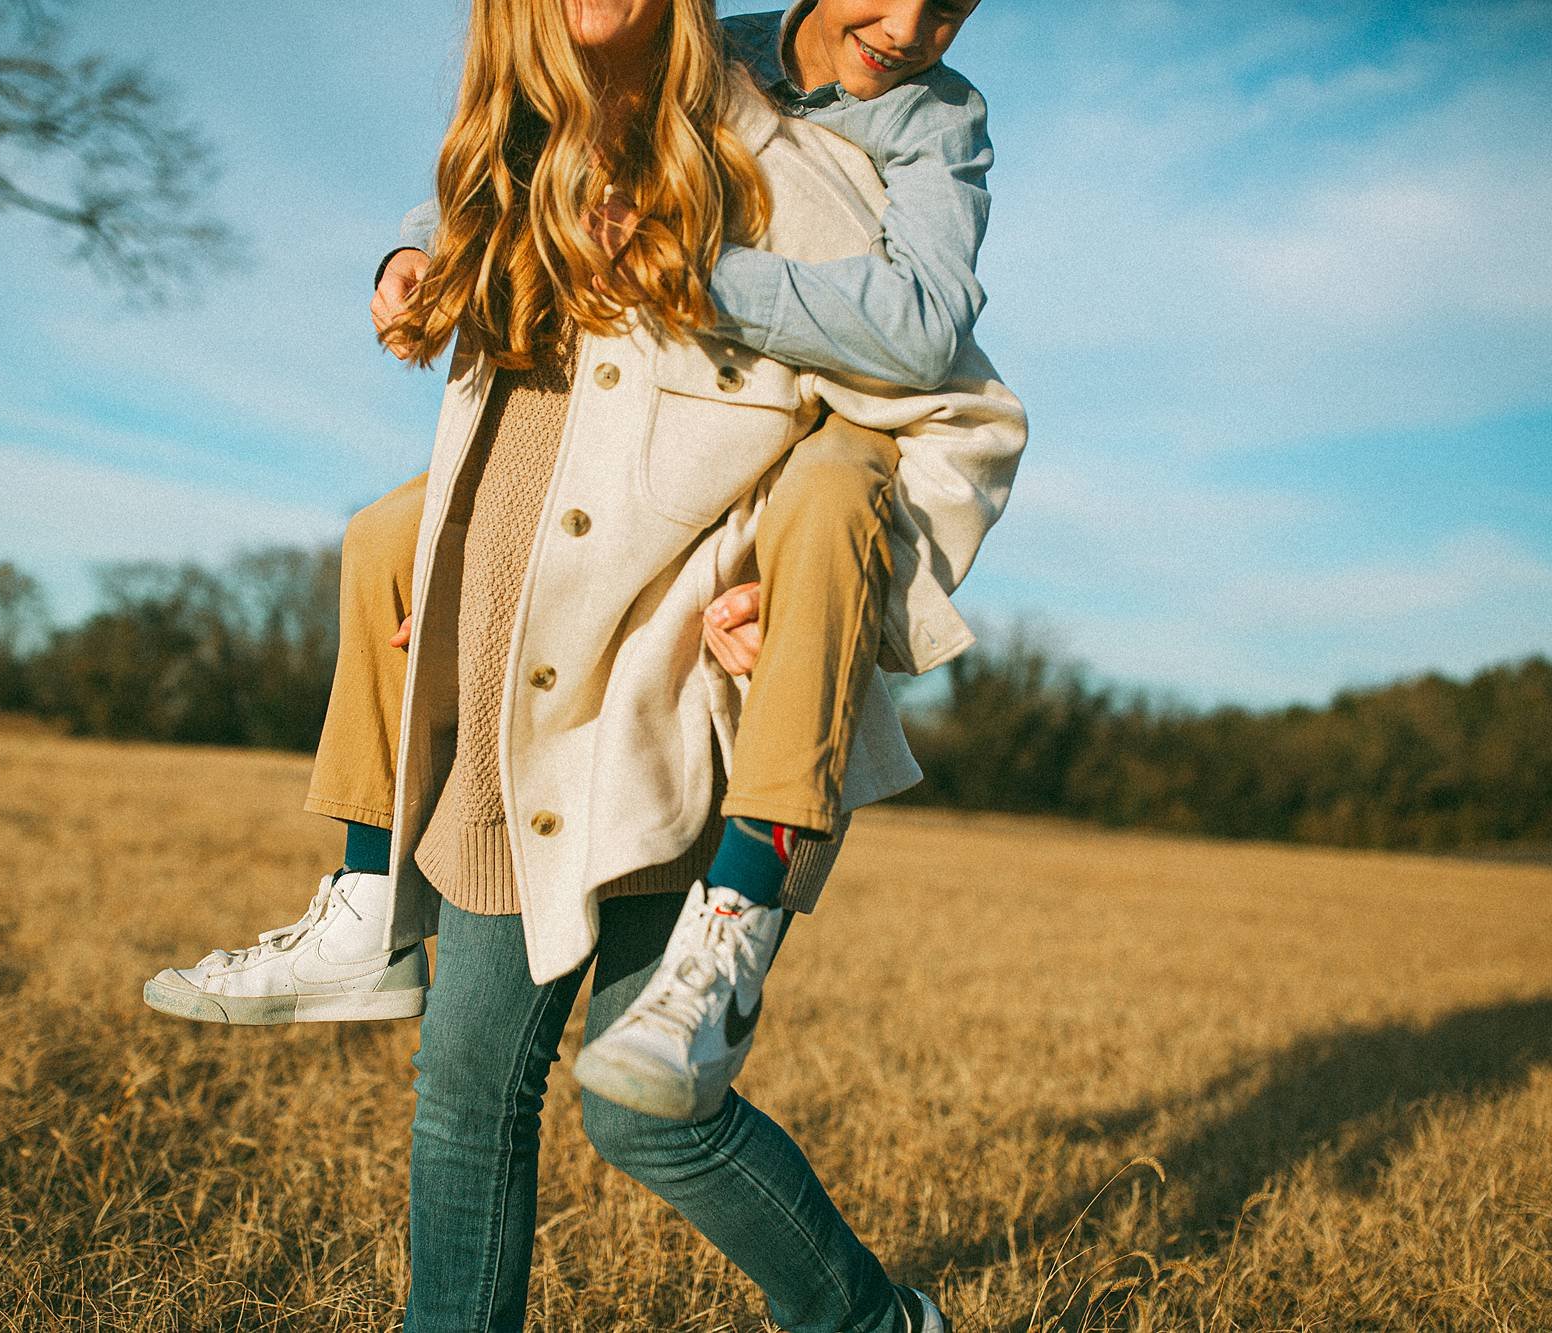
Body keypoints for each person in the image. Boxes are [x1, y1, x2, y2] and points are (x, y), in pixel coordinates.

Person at [145, 0, 1005, 1125]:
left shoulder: (938, 116)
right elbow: (553, 142)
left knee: (830, 508)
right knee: (387, 544)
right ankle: (367, 890)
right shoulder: (718, 51)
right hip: (683, 417)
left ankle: (744, 902)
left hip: (831, 411)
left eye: (947, 5)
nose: (905, 26)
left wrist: (696, 271)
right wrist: (421, 244)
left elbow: (926, 322)